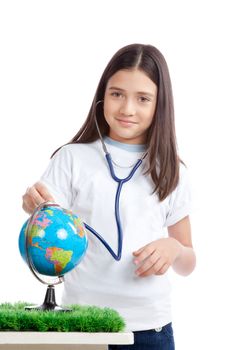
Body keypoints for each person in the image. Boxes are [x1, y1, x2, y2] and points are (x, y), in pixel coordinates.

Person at [22, 43, 196, 350]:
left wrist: (174, 248)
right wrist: (33, 205)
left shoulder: (171, 170)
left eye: (143, 98)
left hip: (150, 331)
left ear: (160, 105)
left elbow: (188, 261)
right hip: (84, 327)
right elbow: (44, 213)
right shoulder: (72, 158)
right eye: (117, 94)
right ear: (103, 96)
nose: (127, 108)